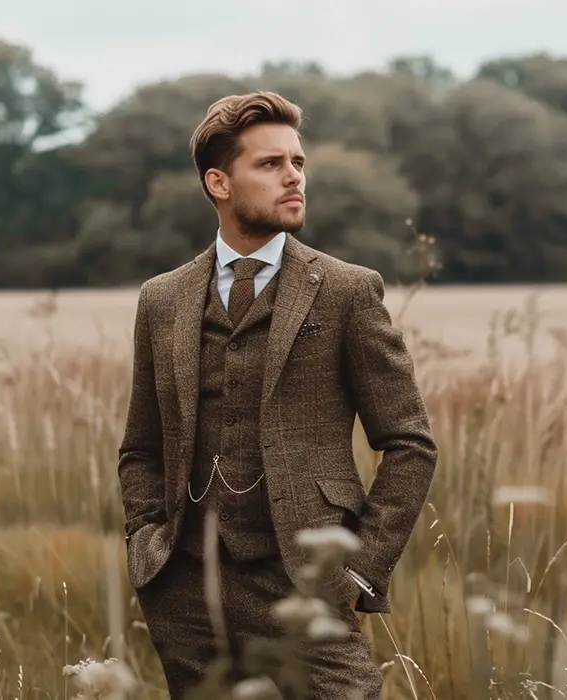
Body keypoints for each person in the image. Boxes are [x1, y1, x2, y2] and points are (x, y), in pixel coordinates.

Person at [116, 91, 438, 699]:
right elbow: (141, 446)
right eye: (270, 164)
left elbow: (409, 443)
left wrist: (357, 570)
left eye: (298, 162)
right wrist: (147, 546)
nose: (294, 177)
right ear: (219, 182)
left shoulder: (345, 291)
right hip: (185, 587)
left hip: (303, 584)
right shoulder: (161, 299)